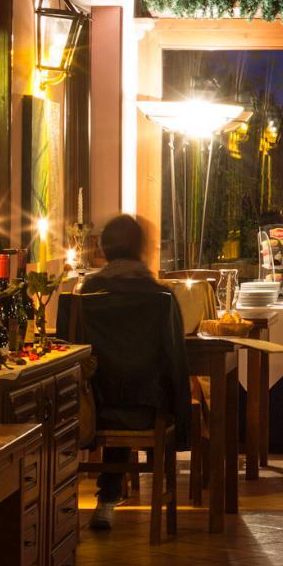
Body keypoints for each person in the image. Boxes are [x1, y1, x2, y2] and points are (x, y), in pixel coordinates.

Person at [68, 214, 191, 530]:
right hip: (147, 410)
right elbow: (176, 361)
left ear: (103, 250)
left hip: (95, 408)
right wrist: (182, 422)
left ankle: (106, 498)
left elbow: (74, 352)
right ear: (141, 249)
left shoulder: (87, 293)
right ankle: (110, 498)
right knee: (138, 387)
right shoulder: (160, 297)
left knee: (114, 382)